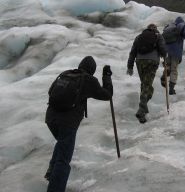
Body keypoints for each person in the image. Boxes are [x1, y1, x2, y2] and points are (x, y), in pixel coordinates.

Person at [45, 56, 113, 192]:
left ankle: (52, 172)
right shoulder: (88, 80)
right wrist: (106, 77)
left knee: (62, 143)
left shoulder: (65, 74)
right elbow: (107, 95)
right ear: (92, 70)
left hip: (51, 118)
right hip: (67, 122)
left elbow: (50, 91)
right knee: (64, 160)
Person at [127, 24, 167, 124]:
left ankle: (144, 111)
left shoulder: (139, 37)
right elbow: (162, 49)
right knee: (147, 85)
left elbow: (132, 52)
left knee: (145, 85)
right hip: (152, 62)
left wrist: (130, 66)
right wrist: (165, 59)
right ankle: (141, 110)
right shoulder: (158, 35)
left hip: (139, 61)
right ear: (155, 29)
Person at [160, 16, 185, 95]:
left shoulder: (168, 27)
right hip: (176, 51)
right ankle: (171, 88)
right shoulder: (181, 25)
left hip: (167, 51)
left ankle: (165, 76)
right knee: (174, 69)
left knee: (168, 66)